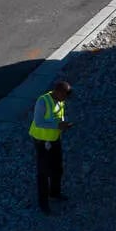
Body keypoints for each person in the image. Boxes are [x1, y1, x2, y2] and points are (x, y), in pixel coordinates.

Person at [29, 80, 73, 215]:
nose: (65, 99)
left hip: (54, 139)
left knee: (57, 168)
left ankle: (55, 193)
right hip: (42, 141)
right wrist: (58, 125)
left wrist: (63, 124)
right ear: (58, 92)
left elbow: (59, 116)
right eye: (65, 95)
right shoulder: (42, 102)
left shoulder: (60, 100)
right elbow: (39, 121)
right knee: (43, 173)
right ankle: (43, 204)